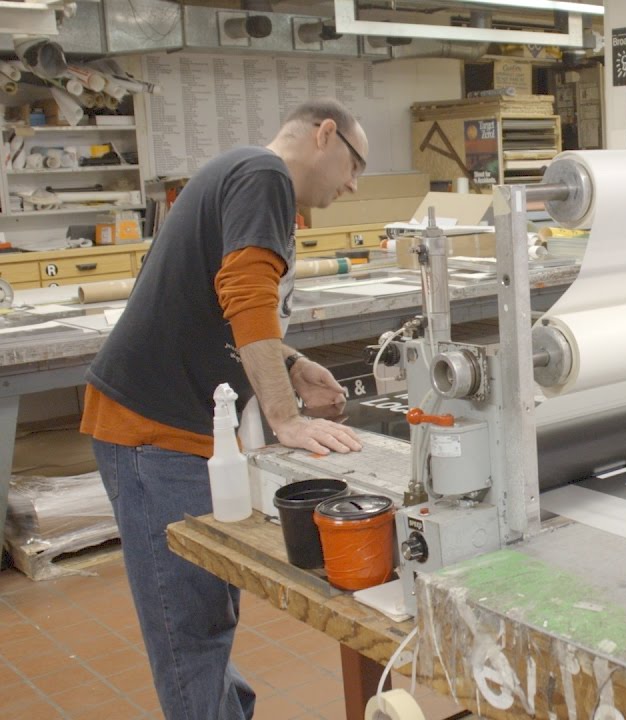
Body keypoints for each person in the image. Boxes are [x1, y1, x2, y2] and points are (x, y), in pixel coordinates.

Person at [81, 99, 367, 720]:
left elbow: (219, 298)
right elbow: (245, 292)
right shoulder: (263, 175)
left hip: (165, 424)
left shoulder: (244, 177)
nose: (352, 182)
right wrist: (286, 416)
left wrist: (290, 363)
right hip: (148, 430)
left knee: (207, 608)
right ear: (325, 135)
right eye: (355, 163)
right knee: (187, 626)